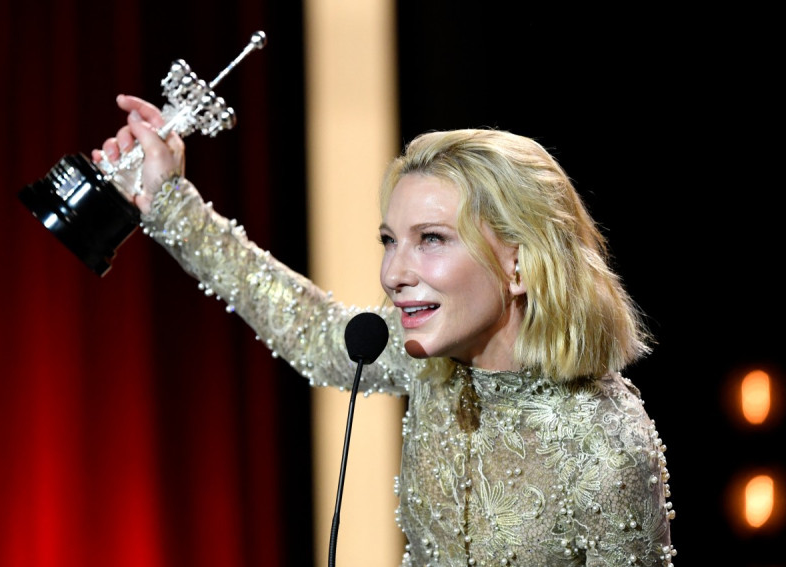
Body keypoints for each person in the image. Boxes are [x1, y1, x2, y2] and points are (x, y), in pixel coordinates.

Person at [94, 94, 676, 566]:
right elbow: (308, 327)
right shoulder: (432, 362)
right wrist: (167, 200)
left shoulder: (606, 443)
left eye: (431, 239)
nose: (394, 273)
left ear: (520, 262)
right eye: (389, 241)